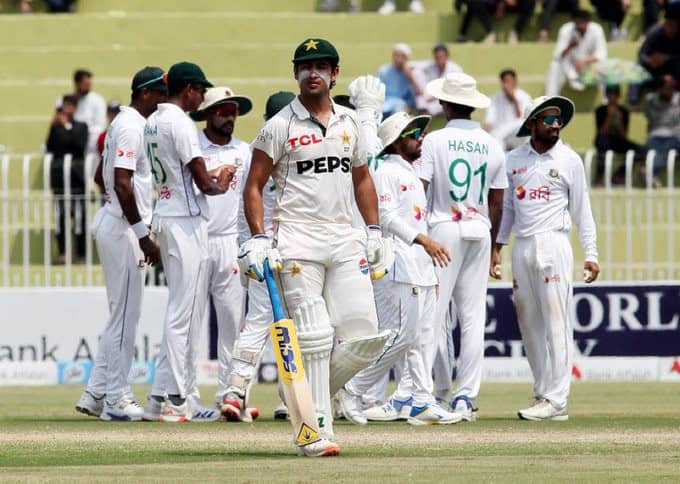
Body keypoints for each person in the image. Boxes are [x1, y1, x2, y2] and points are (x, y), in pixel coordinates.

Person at [241, 38, 390, 455]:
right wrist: (257, 237)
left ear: (335, 73)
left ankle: (303, 396)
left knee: (365, 337)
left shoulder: (349, 122)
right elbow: (253, 185)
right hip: (297, 241)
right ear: (295, 73)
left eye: (321, 66)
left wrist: (374, 230)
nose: (313, 73)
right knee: (315, 337)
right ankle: (316, 430)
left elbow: (362, 178)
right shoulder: (279, 125)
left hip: (345, 239)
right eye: (305, 66)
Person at [337, 112, 461, 426]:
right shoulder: (387, 172)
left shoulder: (409, 172)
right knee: (400, 336)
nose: (421, 137)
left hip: (421, 266)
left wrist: (426, 250)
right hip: (400, 264)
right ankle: (351, 387)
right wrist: (424, 241)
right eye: (415, 132)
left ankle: (420, 400)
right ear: (396, 140)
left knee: (422, 338)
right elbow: (387, 217)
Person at [493, 95, 600, 421]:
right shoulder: (513, 160)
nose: (556, 125)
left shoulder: (569, 160)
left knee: (557, 321)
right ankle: (543, 392)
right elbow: (508, 208)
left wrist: (591, 253)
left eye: (558, 120)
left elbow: (582, 211)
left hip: (554, 242)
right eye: (549, 119)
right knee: (529, 324)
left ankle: (558, 399)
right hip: (523, 246)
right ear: (532, 124)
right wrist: (497, 247)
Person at [141, 62, 234, 423]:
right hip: (186, 222)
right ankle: (178, 401)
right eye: (200, 91)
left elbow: (180, 174)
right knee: (186, 314)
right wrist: (221, 182)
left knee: (179, 311)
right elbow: (203, 184)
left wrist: (208, 178)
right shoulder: (180, 122)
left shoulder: (153, 121)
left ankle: (156, 400)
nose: (201, 98)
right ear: (190, 89)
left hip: (166, 214)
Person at [74, 67, 166, 421]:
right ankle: (117, 396)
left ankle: (95, 391)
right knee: (126, 317)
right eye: (160, 94)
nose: (163, 102)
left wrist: (117, 207)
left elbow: (101, 176)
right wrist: (142, 234)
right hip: (124, 228)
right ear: (145, 94)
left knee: (121, 314)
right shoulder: (131, 127)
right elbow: (121, 183)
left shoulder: (121, 124)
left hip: (117, 221)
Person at [416, 72, 507, 420]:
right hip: (480, 230)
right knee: (473, 318)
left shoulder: (435, 141)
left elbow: (420, 187)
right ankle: (466, 396)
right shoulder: (493, 143)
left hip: (444, 228)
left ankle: (426, 391)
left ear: (446, 103)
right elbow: (497, 202)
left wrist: (417, 233)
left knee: (434, 314)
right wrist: (496, 246)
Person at [222, 91, 296, 423]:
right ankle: (241, 392)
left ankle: (250, 394)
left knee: (282, 323)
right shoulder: (261, 153)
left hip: (285, 248)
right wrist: (250, 247)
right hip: (273, 250)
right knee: (275, 320)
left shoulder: (276, 149)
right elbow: (244, 208)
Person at [184, 86, 254, 421]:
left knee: (232, 325)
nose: (229, 117)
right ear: (209, 114)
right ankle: (186, 397)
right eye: (223, 111)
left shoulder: (245, 151)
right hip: (196, 238)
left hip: (230, 242)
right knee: (191, 322)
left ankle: (231, 395)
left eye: (233, 111)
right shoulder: (193, 146)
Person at [46, 94, 88, 264]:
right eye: (66, 105)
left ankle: (81, 254)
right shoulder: (55, 128)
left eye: (71, 105)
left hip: (76, 177)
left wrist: (65, 128)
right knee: (61, 217)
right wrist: (56, 125)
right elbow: (51, 146)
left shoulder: (81, 126)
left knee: (80, 217)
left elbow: (78, 145)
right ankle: (63, 252)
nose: (68, 108)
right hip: (60, 178)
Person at [545, 10, 608, 96]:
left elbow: (602, 54)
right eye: (577, 22)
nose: (579, 25)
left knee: (603, 66)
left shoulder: (596, 29)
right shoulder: (566, 29)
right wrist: (569, 46)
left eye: (582, 22)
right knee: (555, 65)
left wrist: (584, 61)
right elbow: (557, 55)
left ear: (588, 22)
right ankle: (551, 100)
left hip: (589, 67)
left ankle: (607, 101)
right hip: (570, 69)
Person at [594, 85, 642, 182]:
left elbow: (624, 136)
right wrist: (608, 117)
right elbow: (601, 132)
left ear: (618, 96)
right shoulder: (600, 110)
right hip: (604, 140)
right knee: (602, 144)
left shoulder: (624, 111)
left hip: (618, 140)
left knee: (639, 151)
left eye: (615, 95)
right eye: (610, 95)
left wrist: (619, 121)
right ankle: (599, 177)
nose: (612, 97)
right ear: (606, 96)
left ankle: (619, 175)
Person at [484, 69, 532, 151]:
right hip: (500, 135)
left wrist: (513, 99)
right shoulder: (495, 98)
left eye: (508, 81)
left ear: (515, 81)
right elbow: (489, 122)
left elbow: (522, 117)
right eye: (504, 82)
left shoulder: (524, 96)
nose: (506, 85)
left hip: (517, 135)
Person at [643, 75, 680, 175]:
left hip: (674, 137)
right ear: (659, 89)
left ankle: (649, 173)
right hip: (654, 136)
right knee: (654, 148)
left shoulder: (678, 100)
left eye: (672, 87)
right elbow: (648, 116)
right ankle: (650, 175)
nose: (671, 90)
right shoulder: (651, 100)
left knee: (666, 146)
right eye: (667, 87)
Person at [414, 44, 463, 116]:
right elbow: (410, 66)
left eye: (441, 57)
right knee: (420, 101)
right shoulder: (430, 65)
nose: (439, 59)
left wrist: (434, 97)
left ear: (447, 56)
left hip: (448, 100)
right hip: (431, 99)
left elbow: (455, 90)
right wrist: (417, 87)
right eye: (437, 57)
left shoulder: (455, 69)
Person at [378, 43, 421, 117]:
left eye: (402, 56)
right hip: (384, 103)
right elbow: (377, 91)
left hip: (402, 105)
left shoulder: (412, 72)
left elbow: (418, 92)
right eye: (396, 55)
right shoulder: (384, 70)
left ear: (407, 58)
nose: (399, 59)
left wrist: (410, 76)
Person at [72, 69, 107, 156]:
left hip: (90, 139)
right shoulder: (67, 100)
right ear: (77, 83)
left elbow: (100, 126)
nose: (88, 86)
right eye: (85, 84)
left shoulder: (98, 100)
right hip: (72, 139)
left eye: (89, 84)